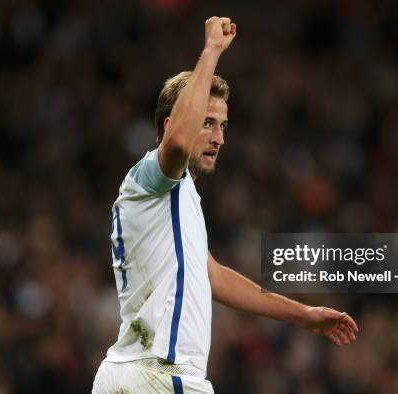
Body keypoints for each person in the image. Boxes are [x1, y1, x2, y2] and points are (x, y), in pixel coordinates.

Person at [92, 16, 359, 394]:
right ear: (171, 124)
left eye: (222, 125)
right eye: (207, 123)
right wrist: (212, 51)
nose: (219, 137)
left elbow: (213, 276)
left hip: (133, 376)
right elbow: (179, 144)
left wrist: (304, 315)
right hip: (161, 376)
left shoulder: (179, 198)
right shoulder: (151, 176)